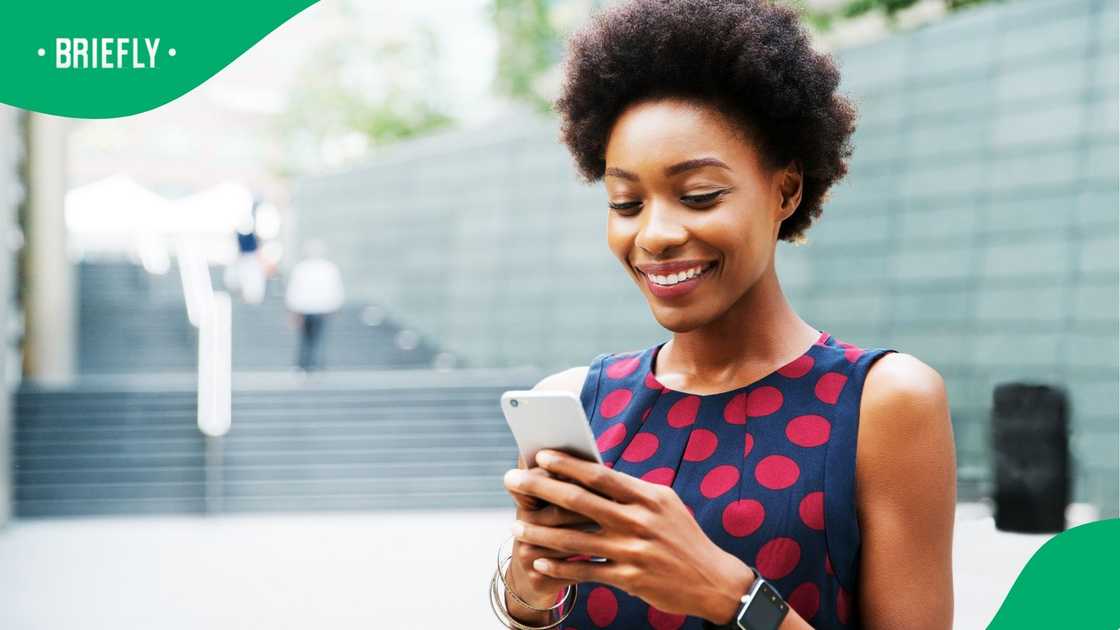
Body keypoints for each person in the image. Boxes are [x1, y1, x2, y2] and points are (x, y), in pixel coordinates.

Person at [494, 1, 957, 629]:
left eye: (699, 196)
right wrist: (528, 586)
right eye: (626, 203)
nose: (655, 234)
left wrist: (733, 596)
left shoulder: (884, 403)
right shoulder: (578, 400)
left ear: (785, 191)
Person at [285, 239, 344, 373]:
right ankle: (315, 365)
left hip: (305, 308)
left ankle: (304, 365)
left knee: (305, 338)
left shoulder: (301, 268)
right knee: (318, 338)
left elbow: (293, 290)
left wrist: (292, 309)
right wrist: (335, 305)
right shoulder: (329, 268)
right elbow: (336, 289)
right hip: (321, 308)